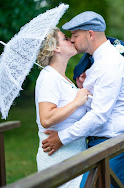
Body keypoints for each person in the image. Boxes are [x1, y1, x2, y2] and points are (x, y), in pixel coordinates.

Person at [41, 11, 124, 186]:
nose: (72, 40)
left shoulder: (109, 64)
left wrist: (62, 138)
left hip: (111, 144)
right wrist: (83, 89)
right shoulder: (97, 63)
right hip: (101, 144)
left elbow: (99, 115)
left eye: (75, 35)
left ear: (90, 34)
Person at [35, 27, 91, 188]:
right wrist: (76, 102)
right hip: (58, 159)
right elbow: (46, 118)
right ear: (56, 48)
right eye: (66, 38)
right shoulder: (49, 78)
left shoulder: (62, 78)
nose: (72, 40)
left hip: (74, 156)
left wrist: (79, 88)